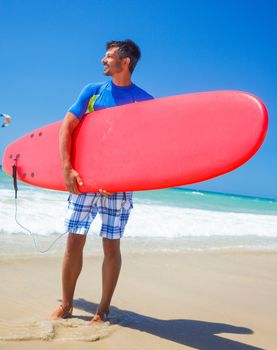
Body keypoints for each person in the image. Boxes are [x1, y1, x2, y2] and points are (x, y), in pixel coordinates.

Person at [48, 39, 153, 323]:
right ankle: (67, 305)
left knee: (111, 246)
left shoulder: (144, 101)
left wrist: (121, 177)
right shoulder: (93, 92)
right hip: (85, 179)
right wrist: (67, 168)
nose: (103, 60)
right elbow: (66, 127)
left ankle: (102, 310)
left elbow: (146, 149)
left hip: (119, 185)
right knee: (74, 241)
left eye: (109, 56)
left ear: (126, 61)